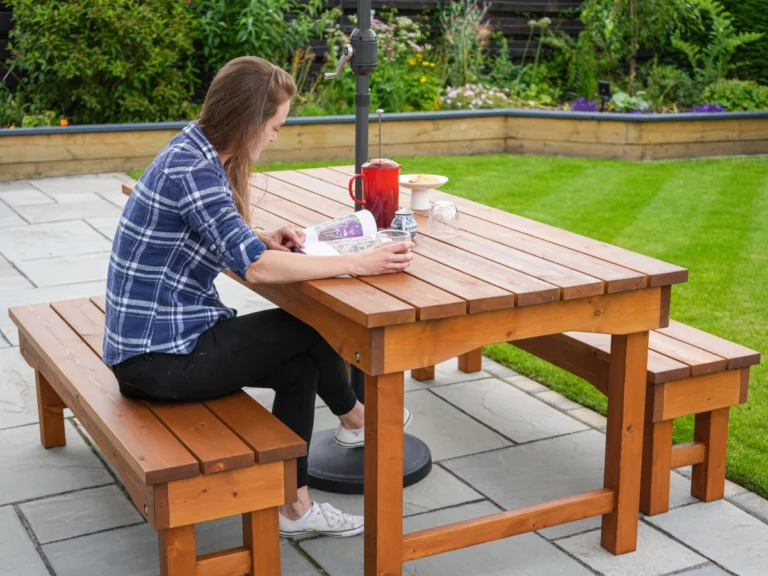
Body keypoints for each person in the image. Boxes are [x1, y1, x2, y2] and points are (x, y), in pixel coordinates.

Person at [103, 56, 414, 539]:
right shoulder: (196, 171)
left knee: (300, 369)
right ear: (249, 120)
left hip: (155, 345)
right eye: (274, 126)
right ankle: (357, 419)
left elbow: (223, 241)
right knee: (306, 328)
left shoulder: (196, 149)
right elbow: (257, 270)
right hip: (157, 358)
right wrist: (358, 262)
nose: (274, 137)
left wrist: (258, 235)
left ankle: (296, 505)